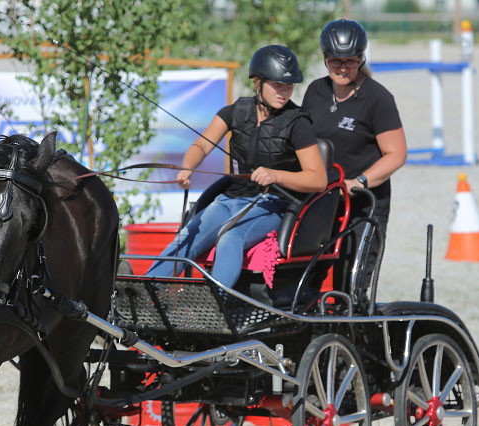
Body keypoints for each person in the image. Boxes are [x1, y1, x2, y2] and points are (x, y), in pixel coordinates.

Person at [145, 45, 327, 288]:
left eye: (289, 85)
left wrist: (276, 175)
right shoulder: (234, 112)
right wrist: (187, 167)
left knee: (231, 237)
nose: (284, 92)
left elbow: (318, 179)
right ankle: (141, 292)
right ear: (257, 82)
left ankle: (215, 305)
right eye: (277, 85)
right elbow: (201, 146)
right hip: (230, 199)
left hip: (273, 205)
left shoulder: (298, 123)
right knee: (187, 236)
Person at [302, 19, 407, 303]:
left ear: (361, 58)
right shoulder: (315, 92)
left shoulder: (378, 98)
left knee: (351, 285)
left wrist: (358, 182)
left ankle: (354, 341)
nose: (343, 67)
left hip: (362, 205)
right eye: (336, 61)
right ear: (325, 58)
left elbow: (396, 155)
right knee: (305, 278)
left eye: (350, 61)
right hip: (321, 203)